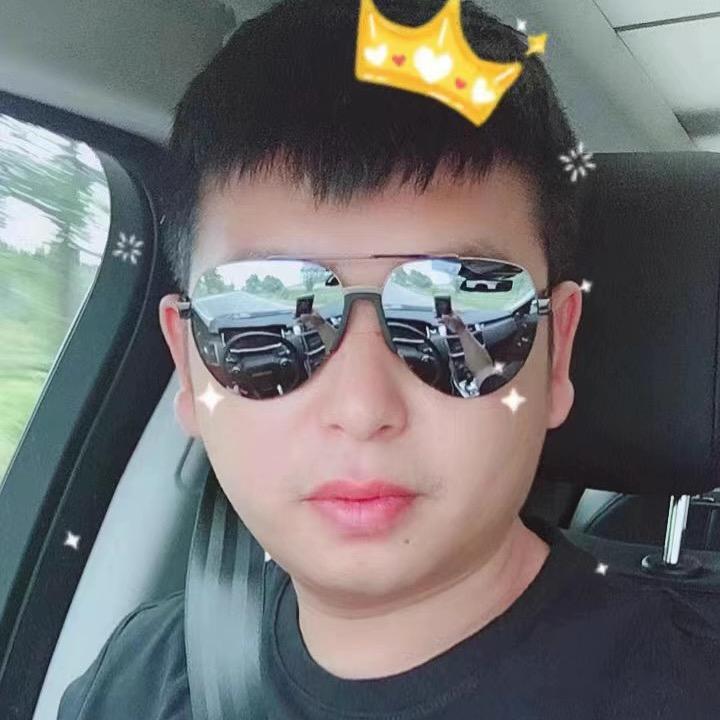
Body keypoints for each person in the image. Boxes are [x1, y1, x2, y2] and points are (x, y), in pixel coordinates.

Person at [57, 1, 720, 718]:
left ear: (556, 351)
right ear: (189, 367)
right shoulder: (131, 681)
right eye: (266, 315)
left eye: (458, 305)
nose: (362, 408)